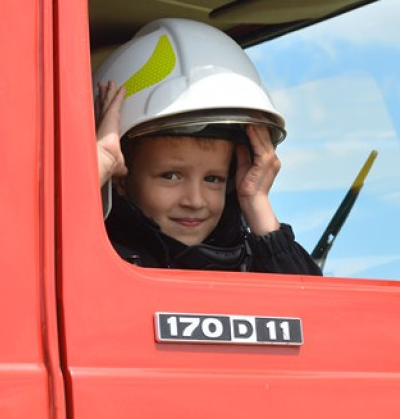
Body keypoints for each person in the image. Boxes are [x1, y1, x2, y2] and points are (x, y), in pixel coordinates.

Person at [93, 18, 321, 275]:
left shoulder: (251, 265)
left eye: (213, 178)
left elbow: (308, 310)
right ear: (120, 179)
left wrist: (256, 202)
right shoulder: (92, 260)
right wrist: (94, 172)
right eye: (170, 176)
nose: (195, 200)